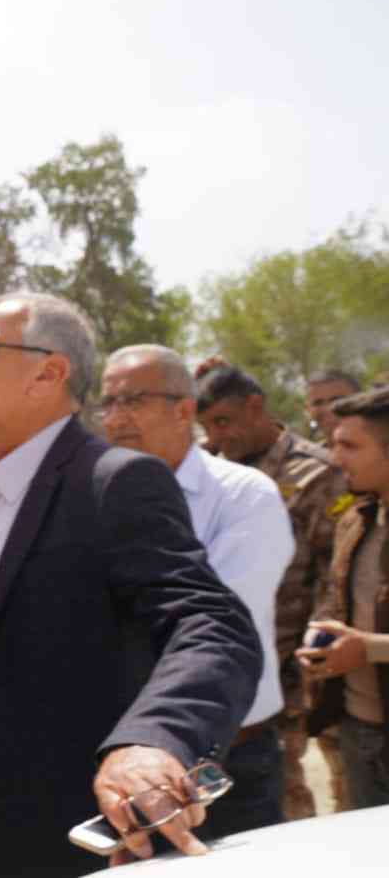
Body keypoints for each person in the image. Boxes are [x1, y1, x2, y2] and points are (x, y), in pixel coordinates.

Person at [0, 292, 262, 877]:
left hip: (73, 842)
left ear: (48, 373)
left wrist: (156, 739)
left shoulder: (114, 483)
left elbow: (213, 625)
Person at [99, 346, 292, 838]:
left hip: (224, 757)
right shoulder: (94, 497)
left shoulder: (244, 495)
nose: (116, 418)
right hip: (125, 759)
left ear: (184, 410)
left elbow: (212, 625)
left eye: (133, 400)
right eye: (108, 403)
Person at [196, 364, 351, 819]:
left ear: (255, 406)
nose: (217, 436)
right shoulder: (207, 471)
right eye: (208, 426)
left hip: (291, 665)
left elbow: (333, 572)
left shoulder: (315, 472)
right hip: (227, 660)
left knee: (287, 790)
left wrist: (314, 654)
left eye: (224, 421)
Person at [298, 386, 389, 809]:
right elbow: (338, 601)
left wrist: (369, 649)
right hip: (360, 733)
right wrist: (323, 641)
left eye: (350, 447)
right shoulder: (356, 520)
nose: (336, 459)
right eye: (334, 445)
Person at [306, 370, 361, 448]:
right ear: (308, 409)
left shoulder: (378, 452)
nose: (327, 409)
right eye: (317, 403)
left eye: (337, 400)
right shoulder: (304, 454)